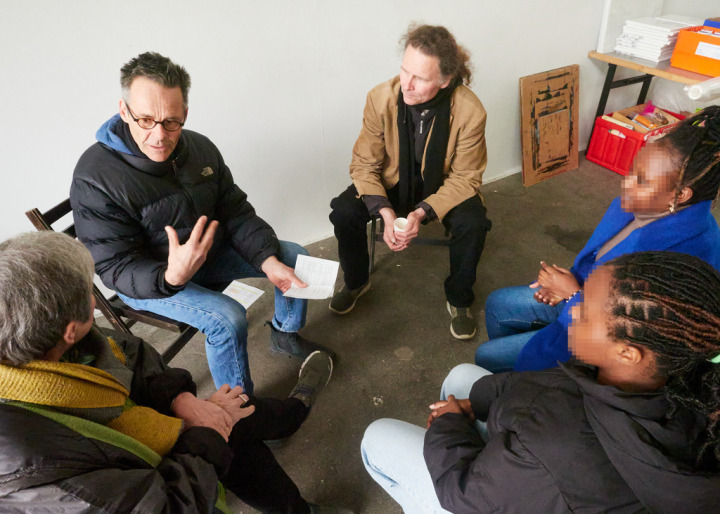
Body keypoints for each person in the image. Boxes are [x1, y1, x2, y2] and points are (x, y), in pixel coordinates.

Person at [0, 231, 344, 513]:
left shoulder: (48, 338)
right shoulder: (29, 464)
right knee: (229, 421)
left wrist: (180, 398)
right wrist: (206, 434)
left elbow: (132, 351)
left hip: (150, 430)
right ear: (69, 330)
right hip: (151, 480)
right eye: (87, 293)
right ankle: (292, 416)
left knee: (233, 416)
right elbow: (168, 505)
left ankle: (289, 423)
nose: (94, 300)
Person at [362, 251, 720, 513]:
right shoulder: (683, 379)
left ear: (627, 353)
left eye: (586, 311)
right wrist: (476, 403)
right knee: (462, 377)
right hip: (538, 460)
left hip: (510, 484)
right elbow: (545, 388)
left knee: (377, 437)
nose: (573, 311)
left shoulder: (556, 444)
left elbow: (464, 495)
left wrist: (449, 427)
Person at [70, 52, 331, 394]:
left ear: (185, 114)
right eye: (145, 120)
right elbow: (115, 267)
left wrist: (266, 259)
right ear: (124, 111)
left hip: (208, 257)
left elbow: (234, 210)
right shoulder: (94, 177)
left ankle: (285, 334)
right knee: (227, 318)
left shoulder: (199, 148)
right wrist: (170, 276)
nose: (159, 135)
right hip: (150, 281)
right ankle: (239, 408)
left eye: (171, 121)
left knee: (294, 255)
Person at [476, 105, 720, 372]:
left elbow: (633, 337)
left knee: (487, 357)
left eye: (642, 180)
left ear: (681, 194)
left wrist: (571, 294)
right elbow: (598, 261)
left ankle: (524, 386)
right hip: (581, 296)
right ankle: (515, 384)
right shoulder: (639, 205)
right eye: (633, 170)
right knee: (498, 304)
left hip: (601, 336)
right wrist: (563, 283)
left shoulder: (689, 255)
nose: (626, 183)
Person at [328, 24, 491, 339]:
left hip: (443, 185)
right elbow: (364, 164)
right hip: (392, 181)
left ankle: (459, 298)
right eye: (405, 71)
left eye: (420, 78)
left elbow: (465, 178)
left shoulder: (471, 112)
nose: (407, 84)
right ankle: (356, 282)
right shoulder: (380, 98)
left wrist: (420, 212)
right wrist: (386, 212)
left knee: (474, 223)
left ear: (444, 80)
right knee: (344, 212)